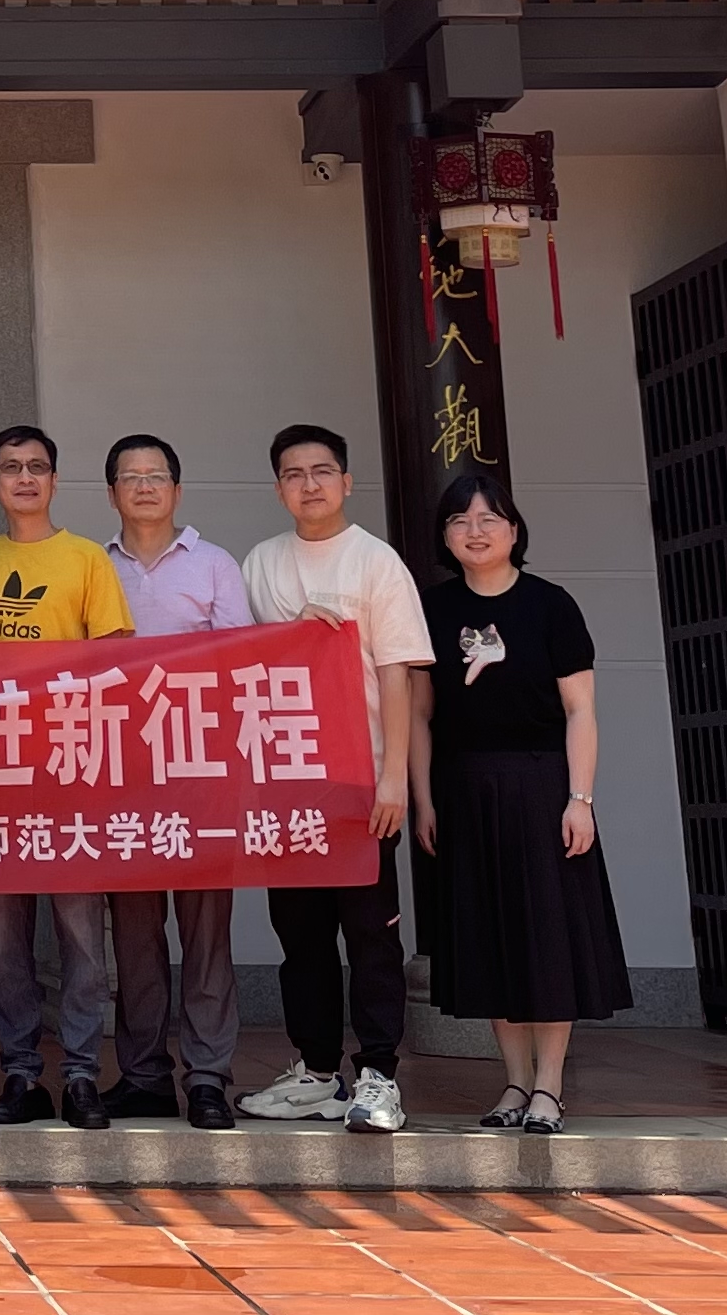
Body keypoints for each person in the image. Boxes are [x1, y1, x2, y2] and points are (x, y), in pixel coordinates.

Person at [411, 469, 631, 1135]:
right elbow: (419, 715)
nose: (474, 531)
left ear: (513, 530)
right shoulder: (433, 609)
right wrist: (424, 800)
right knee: (490, 938)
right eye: (459, 521)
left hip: (543, 789)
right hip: (464, 789)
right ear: (445, 536)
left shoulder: (550, 605)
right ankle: (512, 1082)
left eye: (488, 519)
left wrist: (579, 798)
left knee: (546, 936)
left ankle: (548, 1087)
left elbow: (580, 710)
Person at [237, 421, 433, 1137]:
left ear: (346, 481)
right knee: (301, 935)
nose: (309, 485)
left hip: (360, 784)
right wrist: (292, 632)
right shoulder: (260, 563)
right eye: (293, 474)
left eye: (321, 471)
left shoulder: (376, 562)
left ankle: (379, 1074)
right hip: (287, 783)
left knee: (370, 933)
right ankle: (317, 1070)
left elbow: (398, 676)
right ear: (278, 488)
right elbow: (237, 660)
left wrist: (393, 779)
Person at [0, 423, 135, 1130]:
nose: (24, 477)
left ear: (55, 480)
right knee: (3, 936)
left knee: (80, 935)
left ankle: (80, 1075)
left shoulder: (86, 559)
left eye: (37, 466)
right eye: (10, 467)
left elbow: (114, 664)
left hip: (69, 770)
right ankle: (18, 1072)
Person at [98, 430, 252, 1132]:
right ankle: (143, 1077)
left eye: (156, 475)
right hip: (121, 776)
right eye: (130, 477)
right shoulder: (94, 566)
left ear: (177, 490)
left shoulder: (215, 564)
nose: (144, 486)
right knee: (134, 938)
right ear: (112, 494)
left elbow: (239, 660)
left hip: (199, 774)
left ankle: (209, 1077)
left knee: (206, 934)